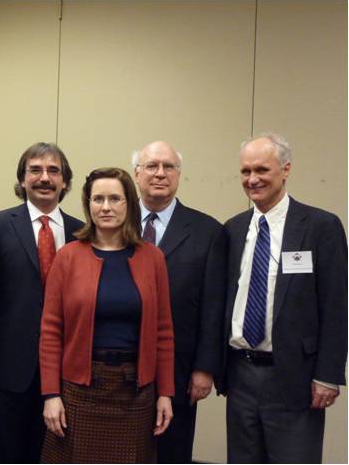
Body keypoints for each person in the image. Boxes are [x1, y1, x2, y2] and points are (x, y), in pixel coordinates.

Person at [218, 133, 347, 463]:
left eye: (262, 169)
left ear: (286, 169)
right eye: (245, 172)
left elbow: (336, 307)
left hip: (296, 378)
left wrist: (328, 375)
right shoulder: (233, 230)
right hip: (241, 375)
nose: (252, 179)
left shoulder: (320, 227)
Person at [40, 167, 175, 463]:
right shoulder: (68, 257)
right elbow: (51, 330)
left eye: (115, 199)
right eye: (97, 199)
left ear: (129, 203)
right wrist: (51, 395)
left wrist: (165, 392)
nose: (106, 207)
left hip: (135, 392)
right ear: (88, 205)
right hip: (80, 391)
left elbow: (163, 332)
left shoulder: (153, 258)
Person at [0, 142, 84, 464]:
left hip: (66, 368)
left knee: (54, 453)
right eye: (35, 170)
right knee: (3, 453)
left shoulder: (82, 233)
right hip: (7, 369)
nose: (44, 177)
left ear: (65, 181)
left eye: (53, 170)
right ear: (22, 180)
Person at [132, 141, 226, 463]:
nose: (160, 173)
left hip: (180, 369)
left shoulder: (208, 231)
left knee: (173, 451)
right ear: (136, 173)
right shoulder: (113, 223)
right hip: (120, 367)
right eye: (152, 166)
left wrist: (205, 368)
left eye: (168, 167)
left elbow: (214, 307)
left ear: (179, 174)